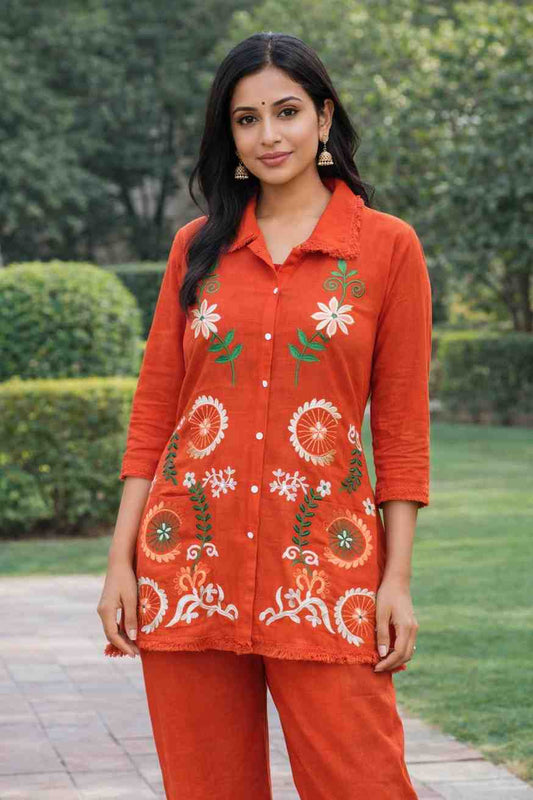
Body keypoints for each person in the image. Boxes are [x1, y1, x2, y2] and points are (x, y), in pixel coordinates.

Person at [97, 31, 432, 800]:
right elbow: (154, 413)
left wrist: (397, 580)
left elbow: (402, 429)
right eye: (245, 120)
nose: (267, 135)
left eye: (285, 112)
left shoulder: (385, 249)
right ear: (230, 136)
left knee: (365, 784)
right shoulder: (197, 250)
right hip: (187, 567)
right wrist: (121, 561)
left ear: (322, 116)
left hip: (323, 569)